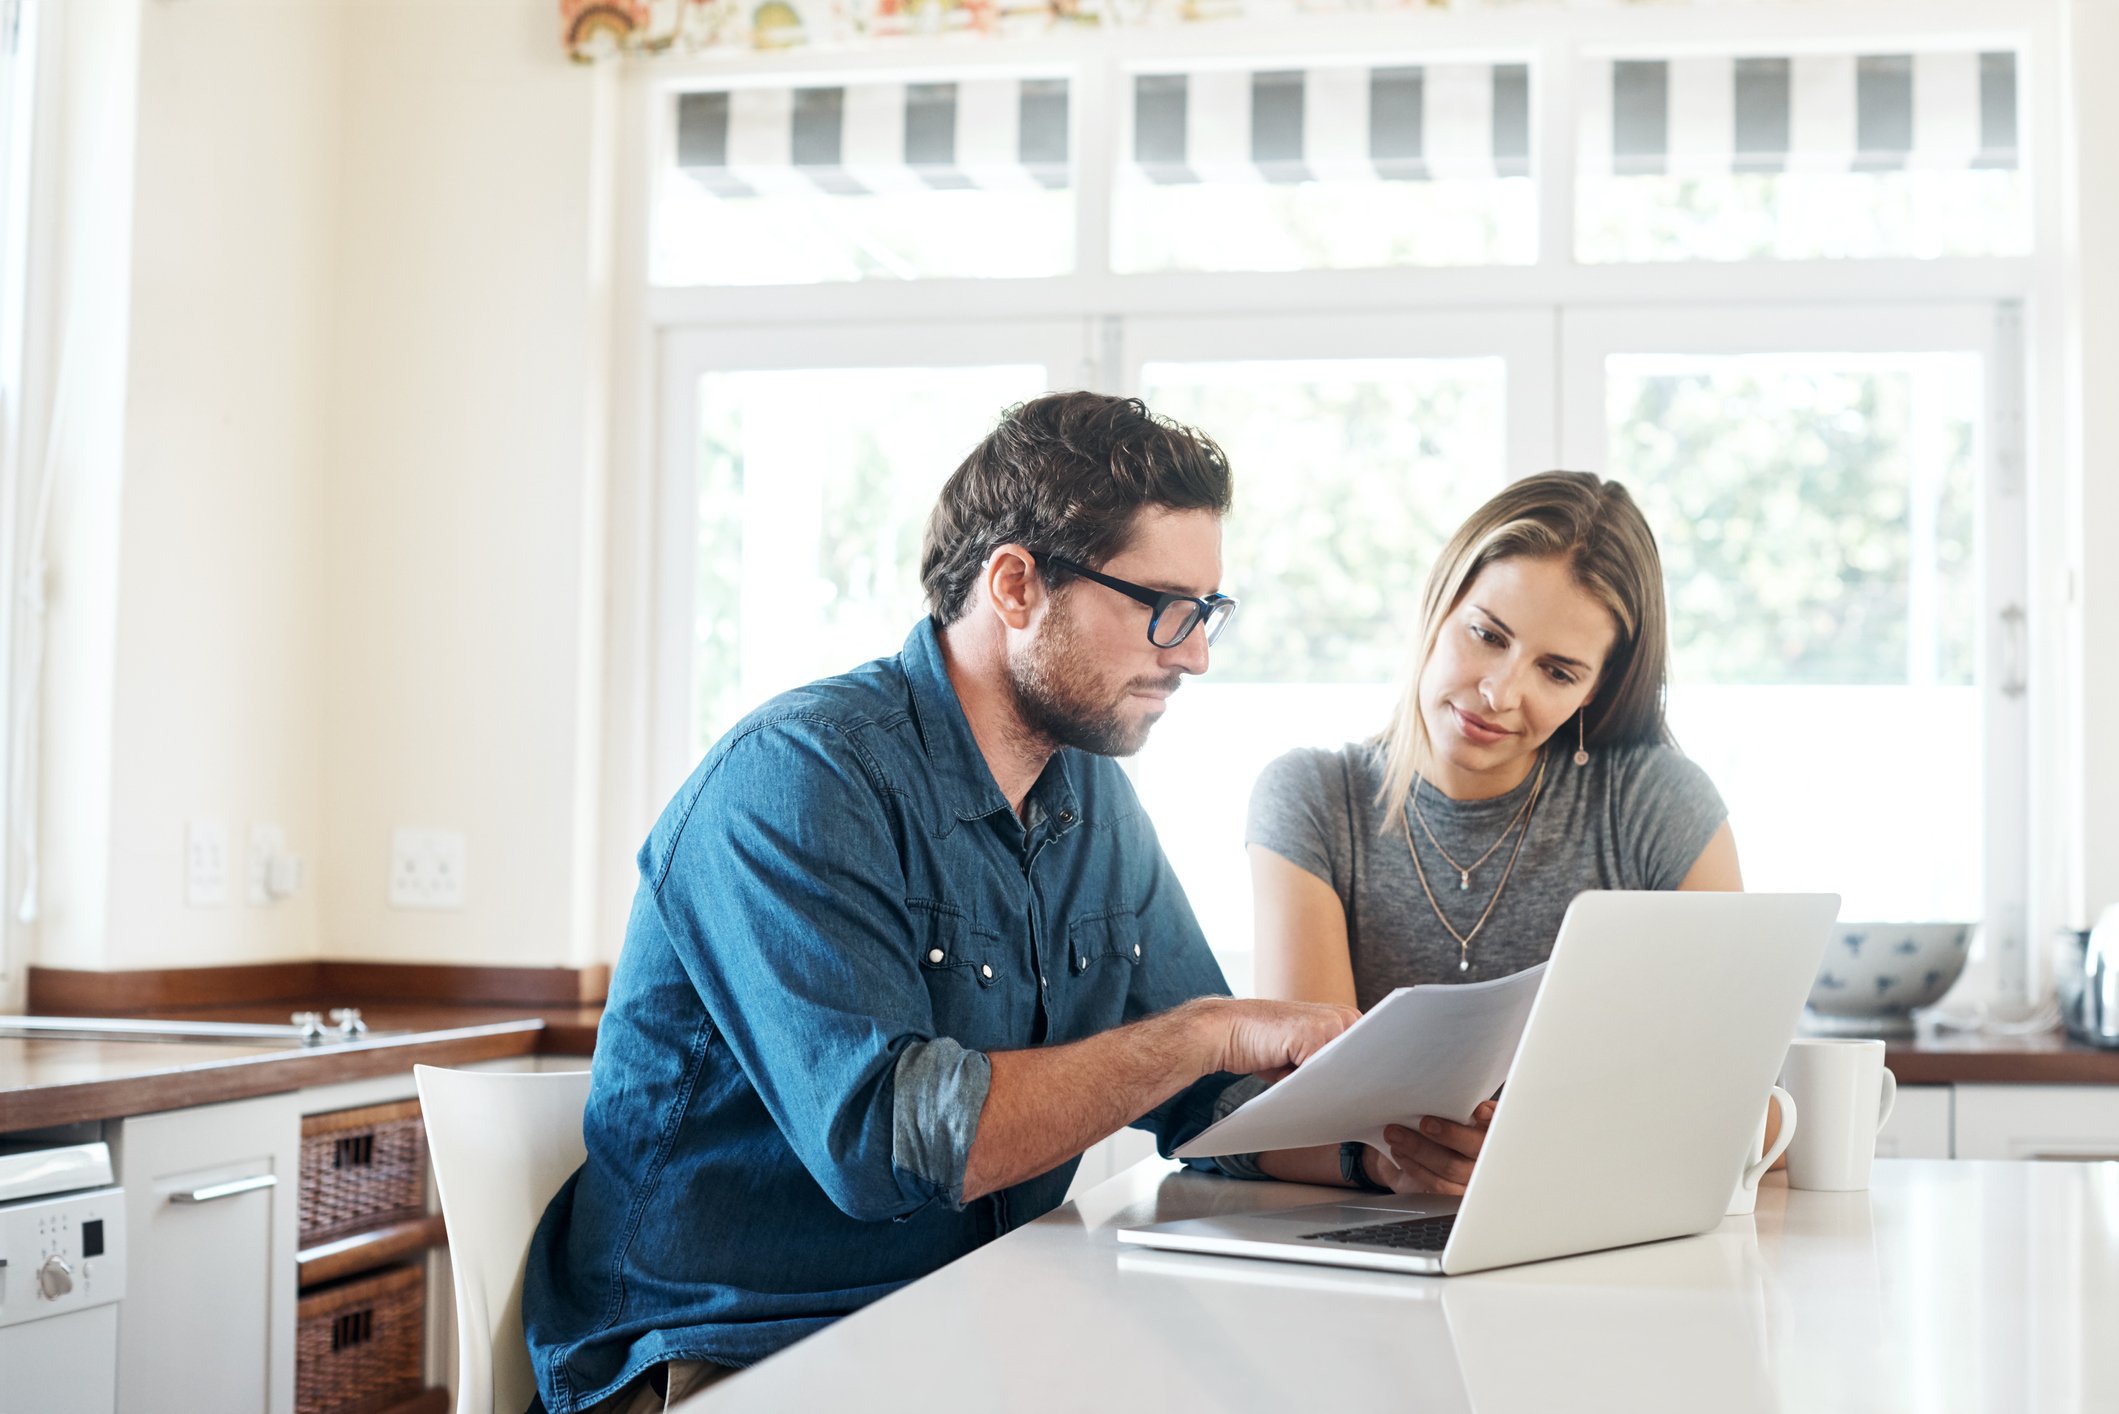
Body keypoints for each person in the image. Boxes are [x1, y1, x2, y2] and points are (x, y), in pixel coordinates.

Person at [521, 392, 1359, 1414]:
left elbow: (1207, 1099)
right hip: (731, 1349)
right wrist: (1202, 1034)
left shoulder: (1090, 797)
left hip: (966, 1324)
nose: (1192, 653)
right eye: (1163, 607)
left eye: (1206, 611)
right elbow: (888, 1143)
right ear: (1014, 583)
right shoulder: (795, 777)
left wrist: (1379, 1144)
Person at [1242, 471, 1741, 1198]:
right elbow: (1311, 1107)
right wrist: (1400, 1162)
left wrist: (1549, 1154)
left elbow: (1739, 1097)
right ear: (1438, 603)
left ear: (1594, 690)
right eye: (1486, 634)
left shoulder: (1653, 803)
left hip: (1588, 1225)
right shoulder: (1314, 799)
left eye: (1557, 671)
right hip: (1375, 1237)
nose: (1500, 694)